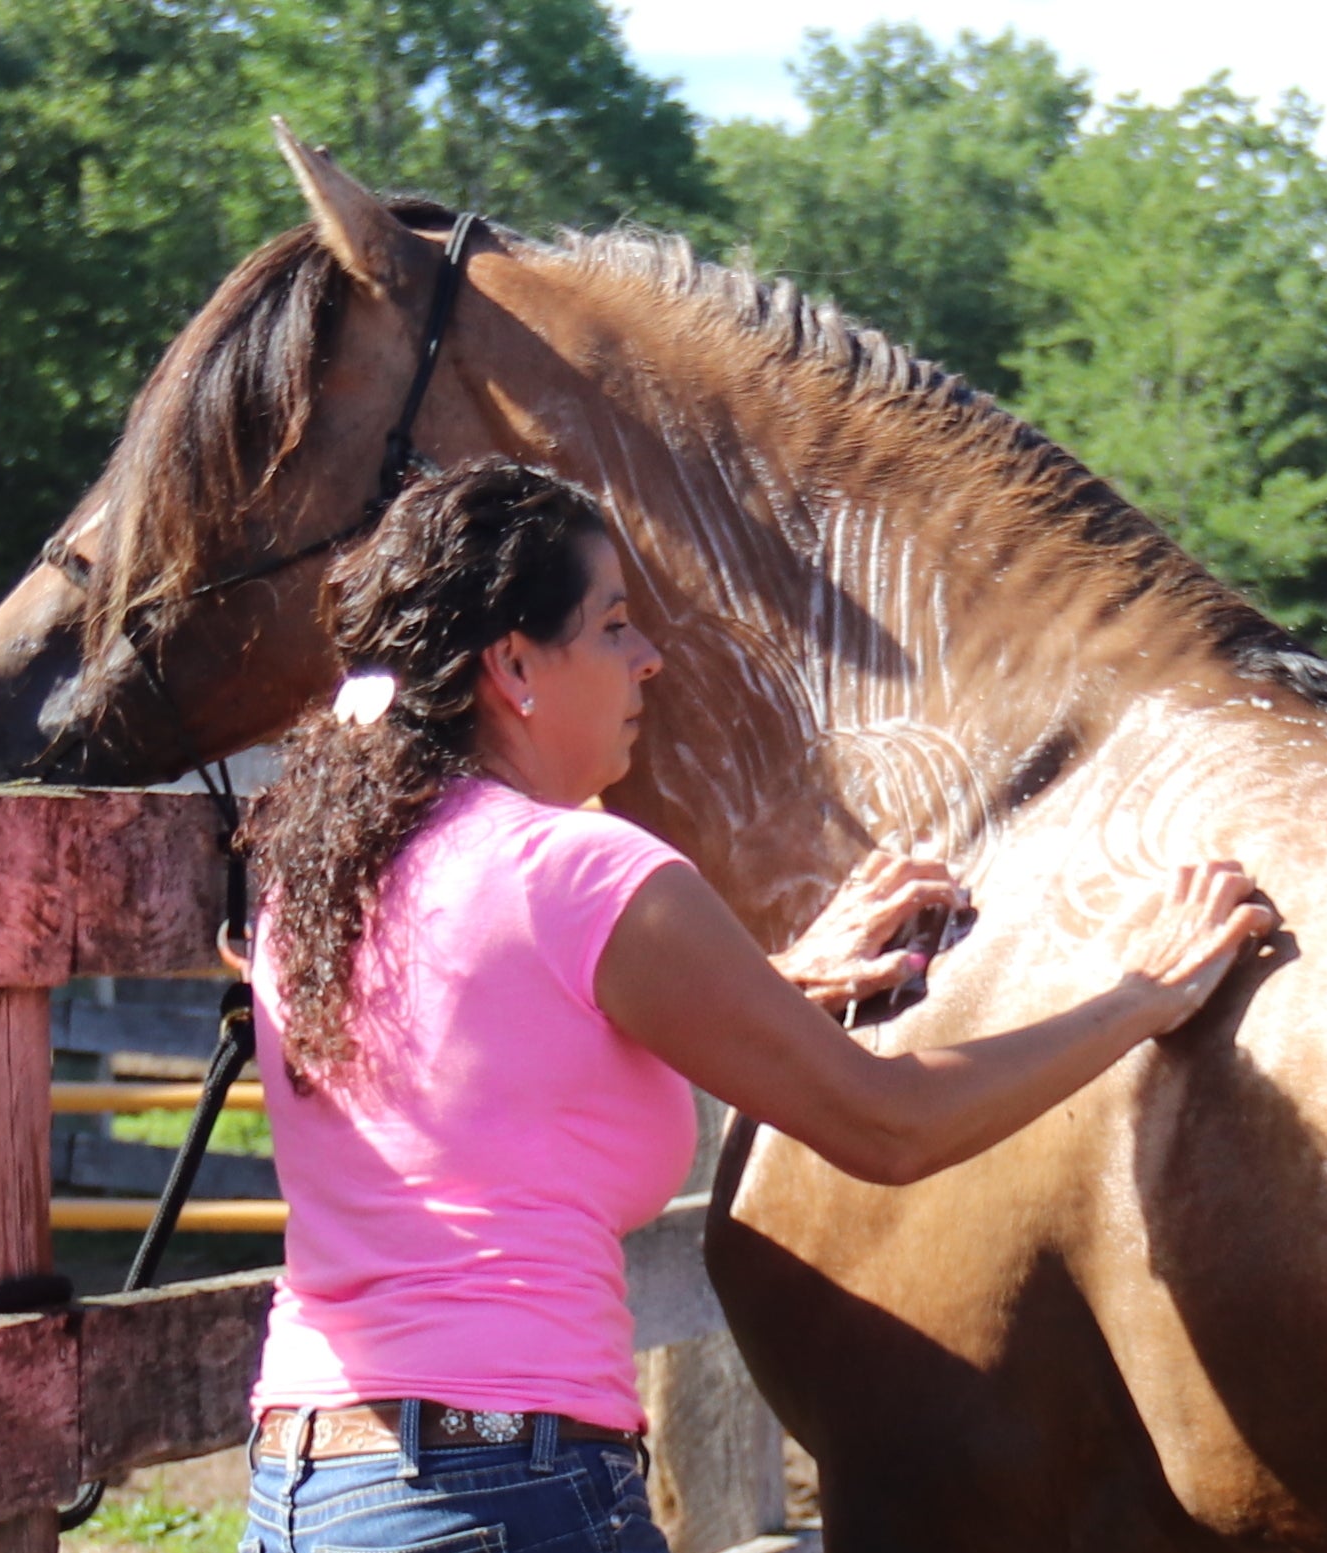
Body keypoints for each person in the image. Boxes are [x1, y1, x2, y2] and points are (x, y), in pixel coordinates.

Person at [237, 458, 1274, 1553]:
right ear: (512, 664)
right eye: (612, 625)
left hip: (309, 1475)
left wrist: (778, 981)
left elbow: (497, 1060)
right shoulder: (580, 867)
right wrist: (1142, 992)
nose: (649, 657)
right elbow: (886, 1122)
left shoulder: (327, 888)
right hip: (503, 1477)